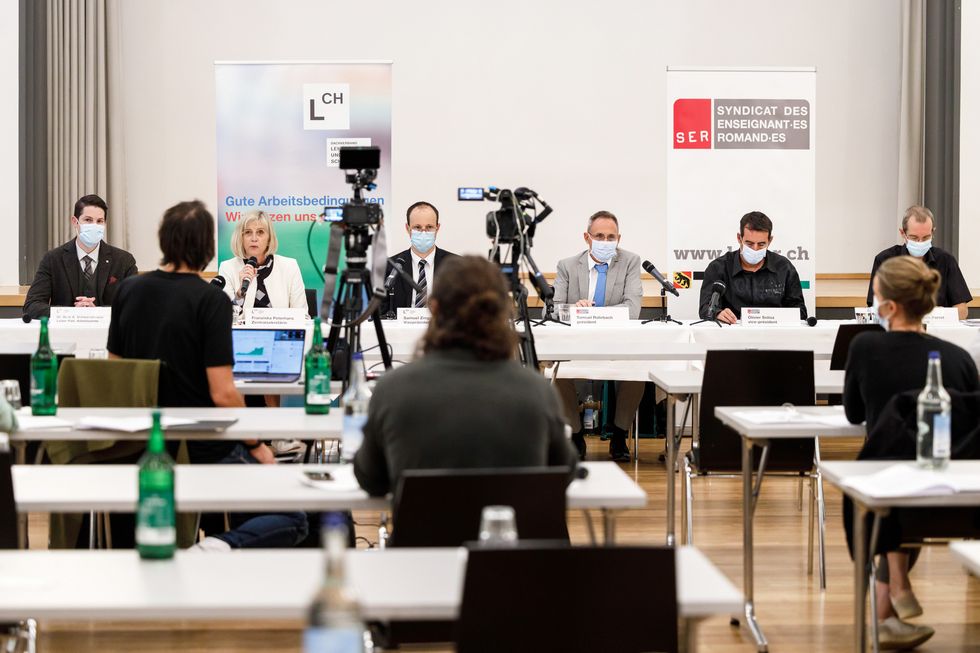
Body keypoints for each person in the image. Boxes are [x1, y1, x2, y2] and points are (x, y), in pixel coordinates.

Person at [107, 200, 307, 551]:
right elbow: (223, 393)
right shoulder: (210, 300)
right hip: (202, 445)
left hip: (143, 443)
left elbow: (116, 372)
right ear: (206, 248)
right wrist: (258, 446)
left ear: (163, 240)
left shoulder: (128, 290)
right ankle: (218, 546)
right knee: (296, 517)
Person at [353, 256, 578, 497]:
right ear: (502, 312)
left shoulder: (393, 389)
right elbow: (565, 470)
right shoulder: (536, 390)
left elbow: (371, 479)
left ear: (434, 308)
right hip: (510, 521)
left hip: (428, 522)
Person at [844, 255, 979, 649]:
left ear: (888, 305)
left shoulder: (865, 347)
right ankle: (890, 608)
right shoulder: (957, 357)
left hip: (887, 493)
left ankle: (887, 610)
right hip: (955, 498)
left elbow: (854, 413)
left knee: (896, 479)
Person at [552, 210, 643, 462]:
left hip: (618, 342)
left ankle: (619, 434)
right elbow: (555, 308)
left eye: (611, 237)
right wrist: (575, 309)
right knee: (557, 372)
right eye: (599, 236)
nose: (605, 241)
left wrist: (592, 313)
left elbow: (632, 309)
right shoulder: (567, 265)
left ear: (618, 239)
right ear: (587, 237)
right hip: (577, 343)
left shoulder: (631, 261)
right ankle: (575, 435)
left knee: (639, 371)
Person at [23, 194, 138, 319]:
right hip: (66, 330)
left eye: (100, 221)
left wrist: (98, 313)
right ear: (75, 222)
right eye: (88, 220)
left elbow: (135, 307)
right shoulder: (52, 259)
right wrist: (71, 313)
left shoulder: (124, 261)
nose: (94, 225)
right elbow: (32, 306)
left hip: (107, 331)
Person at [698, 211, 807, 323]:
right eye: (749, 244)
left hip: (774, 331)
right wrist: (717, 313)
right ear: (739, 238)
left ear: (770, 240)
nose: (755, 249)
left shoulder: (784, 267)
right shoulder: (718, 267)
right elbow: (705, 308)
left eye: (761, 244)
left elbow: (800, 311)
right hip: (732, 331)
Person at [867, 205, 972, 320]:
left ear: (933, 232)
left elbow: (963, 311)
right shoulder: (884, 261)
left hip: (937, 329)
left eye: (926, 237)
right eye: (914, 237)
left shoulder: (946, 260)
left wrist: (937, 314)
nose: (920, 242)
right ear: (903, 233)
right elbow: (875, 309)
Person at [217, 210, 307, 320]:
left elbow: (302, 316)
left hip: (280, 330)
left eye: (260, 232)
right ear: (241, 238)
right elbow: (225, 319)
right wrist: (240, 294)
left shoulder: (289, 266)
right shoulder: (227, 268)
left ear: (269, 239)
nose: (254, 238)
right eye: (248, 232)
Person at [382, 201, 459, 314]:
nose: (423, 232)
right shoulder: (390, 266)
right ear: (408, 228)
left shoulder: (456, 266)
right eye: (417, 227)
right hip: (402, 326)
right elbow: (380, 311)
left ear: (437, 228)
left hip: (442, 325)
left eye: (429, 227)